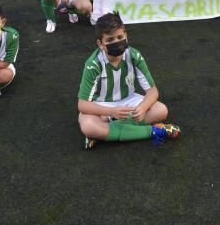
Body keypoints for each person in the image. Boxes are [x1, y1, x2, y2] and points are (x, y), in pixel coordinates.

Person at [77, 12, 181, 150]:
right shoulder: (93, 64)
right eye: (110, 39)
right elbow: (82, 105)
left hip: (129, 101)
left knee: (161, 110)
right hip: (103, 107)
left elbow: (152, 91)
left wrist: (143, 108)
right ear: (100, 44)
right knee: (88, 125)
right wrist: (112, 112)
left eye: (120, 37)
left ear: (126, 36)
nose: (116, 42)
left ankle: (104, 133)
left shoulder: (134, 56)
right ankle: (154, 131)